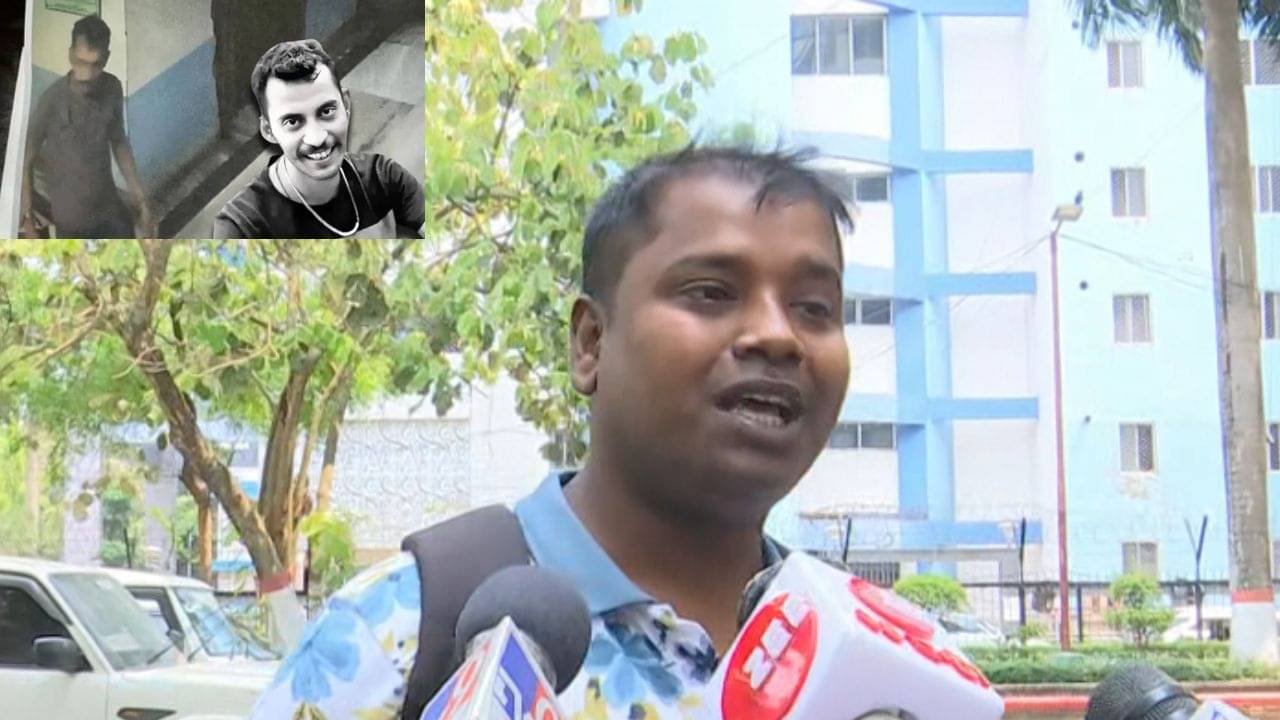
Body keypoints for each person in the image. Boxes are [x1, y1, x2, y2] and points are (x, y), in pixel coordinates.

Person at [247, 146, 852, 719]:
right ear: (591, 343)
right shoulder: (392, 630)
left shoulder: (853, 647)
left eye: (814, 307)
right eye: (712, 293)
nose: (778, 335)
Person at [212, 39, 424, 239]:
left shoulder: (384, 177)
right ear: (268, 131)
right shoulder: (242, 226)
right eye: (293, 122)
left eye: (326, 111)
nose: (316, 138)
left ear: (346, 105)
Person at [21, 14, 154, 239]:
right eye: (81, 63)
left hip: (108, 206)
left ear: (106, 58)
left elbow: (119, 142)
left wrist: (141, 200)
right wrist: (28, 219)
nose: (87, 75)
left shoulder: (112, 87)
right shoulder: (51, 100)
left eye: (96, 65)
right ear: (71, 54)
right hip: (71, 218)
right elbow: (26, 159)